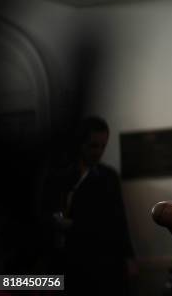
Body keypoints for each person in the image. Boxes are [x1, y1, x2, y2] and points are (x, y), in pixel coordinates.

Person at [55, 116, 137, 295]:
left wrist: (129, 257)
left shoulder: (108, 177)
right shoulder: (62, 176)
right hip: (74, 260)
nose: (99, 152)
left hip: (105, 260)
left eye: (103, 146)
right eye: (93, 145)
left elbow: (119, 220)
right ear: (80, 143)